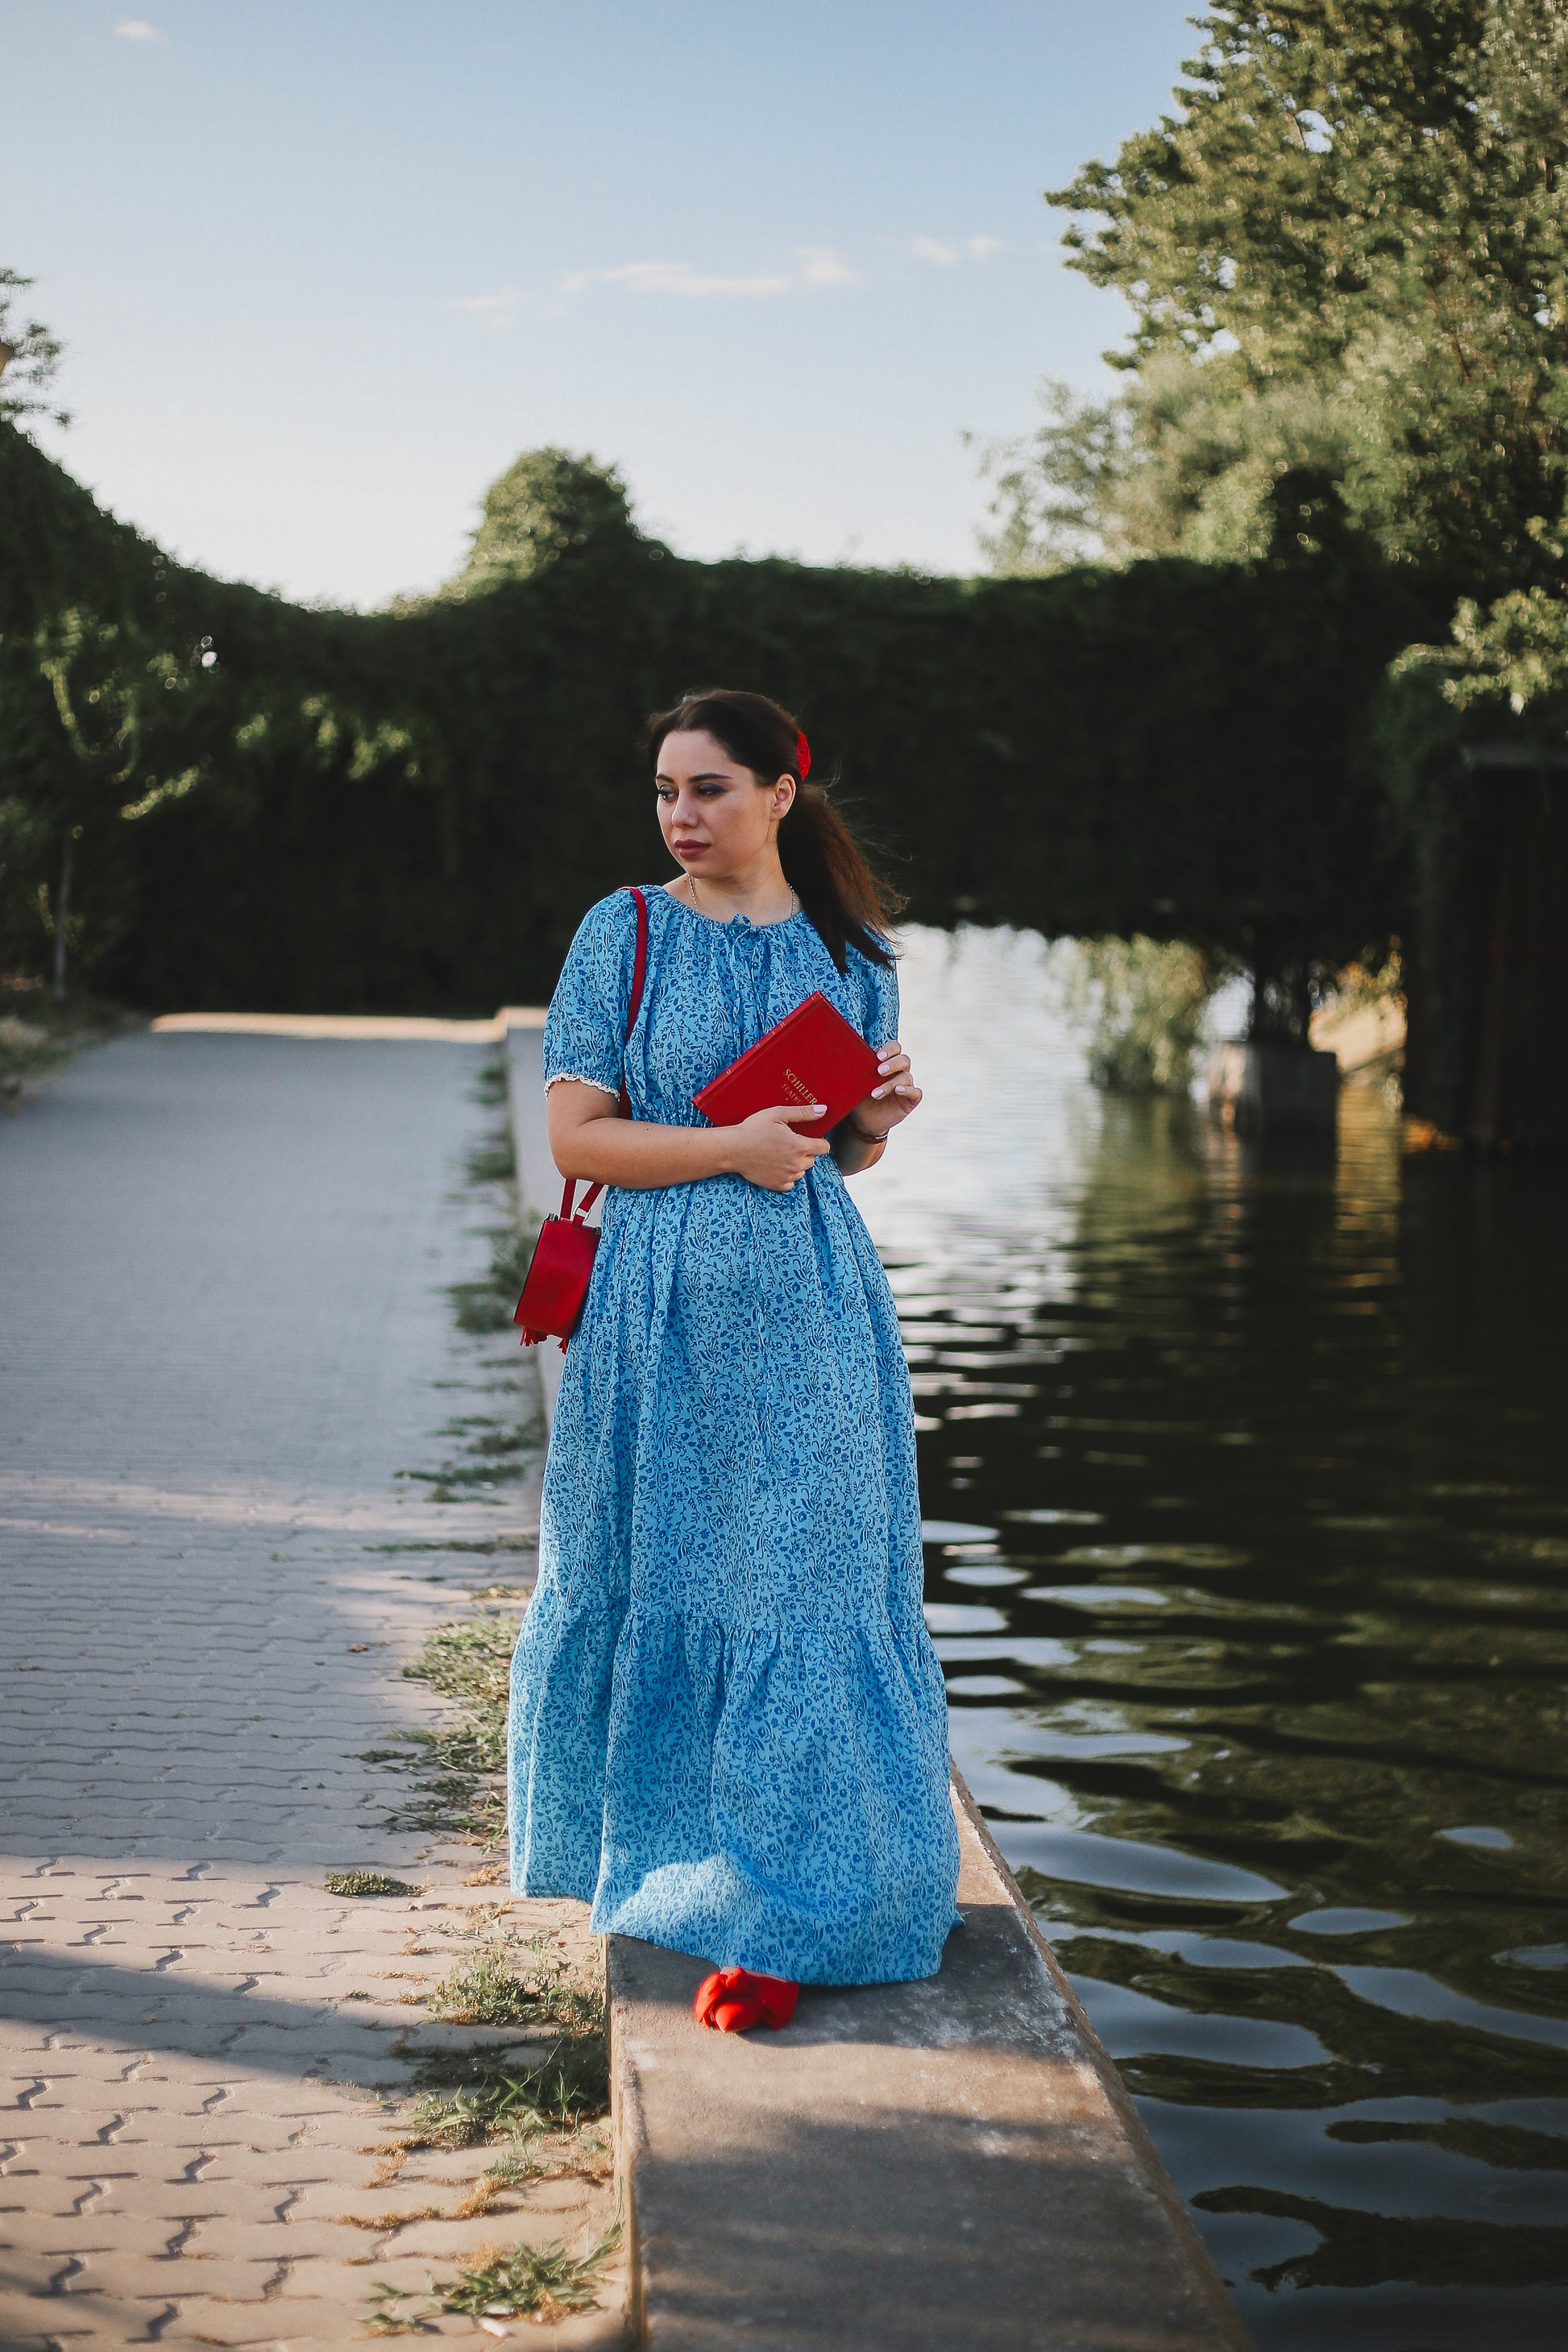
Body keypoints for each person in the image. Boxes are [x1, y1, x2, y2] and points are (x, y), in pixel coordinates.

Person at [506, 687, 960, 2031]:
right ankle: (689, 1881)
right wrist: (728, 1147)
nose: (680, 815)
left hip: (814, 1308)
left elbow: (836, 1155)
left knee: (804, 1585)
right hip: (658, 1311)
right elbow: (581, 1141)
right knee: (678, 1574)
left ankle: (794, 1909)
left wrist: (873, 1122)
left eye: (707, 788)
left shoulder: (854, 952)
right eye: (663, 791)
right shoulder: (624, 929)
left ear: (779, 793)